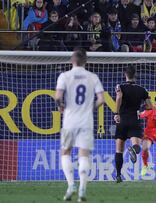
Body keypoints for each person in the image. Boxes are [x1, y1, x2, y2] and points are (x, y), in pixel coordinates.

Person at [55, 48, 105, 202]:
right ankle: (83, 188)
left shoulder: (64, 76)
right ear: (85, 62)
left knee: (66, 152)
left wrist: (61, 106)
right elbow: (101, 100)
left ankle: (71, 185)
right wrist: (90, 108)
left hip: (70, 119)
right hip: (86, 120)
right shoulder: (93, 77)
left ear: (72, 61)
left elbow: (57, 97)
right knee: (84, 154)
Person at [113, 66, 152, 183]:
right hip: (134, 119)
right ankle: (133, 150)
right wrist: (141, 108)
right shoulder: (142, 89)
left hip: (122, 120)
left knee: (119, 149)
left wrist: (116, 113)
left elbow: (119, 97)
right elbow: (150, 106)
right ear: (135, 75)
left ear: (125, 74)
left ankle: (119, 175)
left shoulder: (120, 87)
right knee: (137, 146)